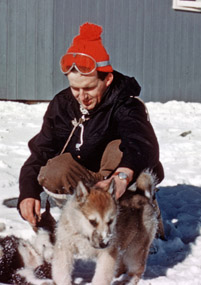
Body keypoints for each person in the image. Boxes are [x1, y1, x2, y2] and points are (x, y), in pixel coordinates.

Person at [18, 22, 164, 229]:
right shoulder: (62, 104)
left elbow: (142, 144)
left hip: (120, 176)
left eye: (89, 88)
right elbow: (41, 151)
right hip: (84, 177)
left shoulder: (126, 103)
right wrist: (28, 192)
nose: (82, 97)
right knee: (54, 170)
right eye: (75, 89)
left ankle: (139, 220)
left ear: (107, 79)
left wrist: (121, 177)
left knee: (117, 149)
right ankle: (84, 219)